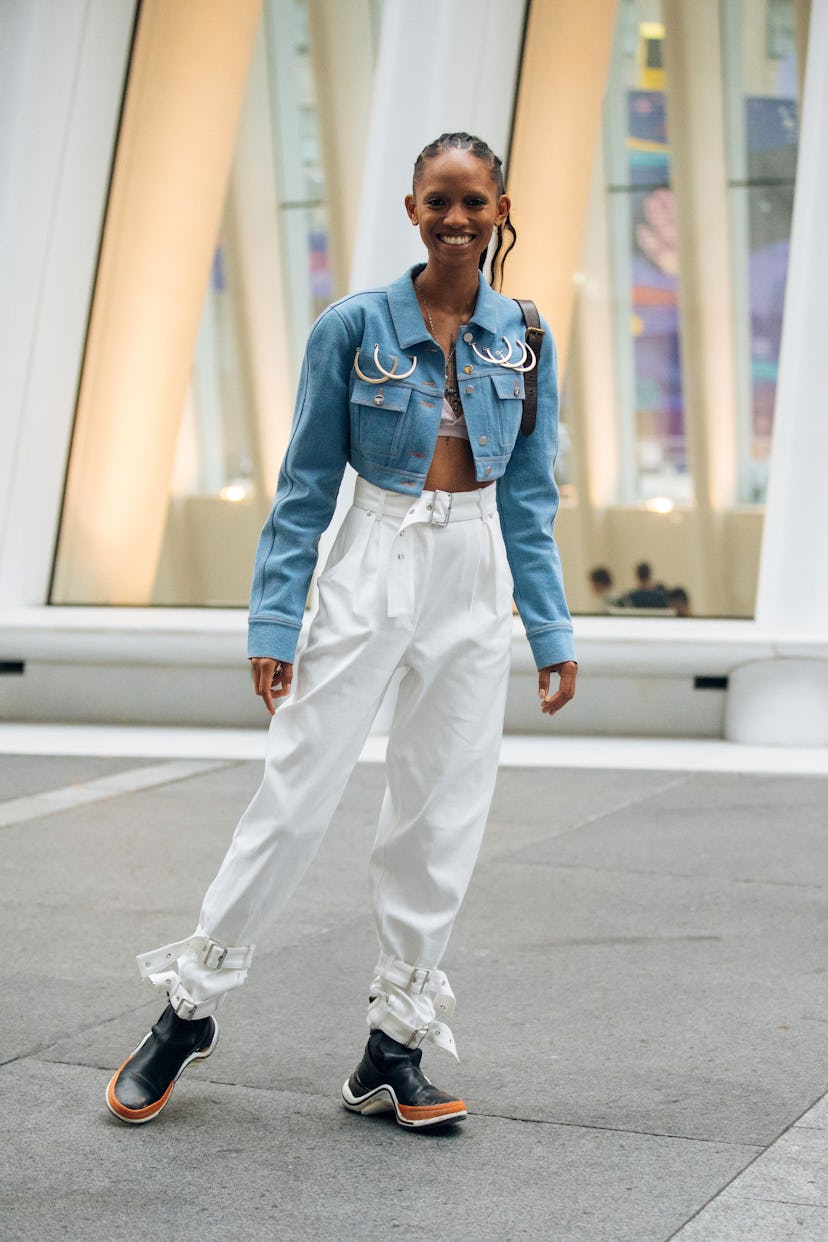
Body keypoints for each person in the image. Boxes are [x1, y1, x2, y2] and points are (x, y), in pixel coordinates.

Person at [105, 132, 577, 1132]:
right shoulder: (354, 329)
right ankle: (187, 1011)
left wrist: (549, 628)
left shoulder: (525, 338)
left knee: (441, 814)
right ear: (412, 209)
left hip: (474, 566)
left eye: (475, 204)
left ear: (500, 212)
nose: (456, 220)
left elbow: (531, 498)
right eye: (438, 202)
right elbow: (306, 486)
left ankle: (393, 1046)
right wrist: (276, 618)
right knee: (297, 792)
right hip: (373, 559)